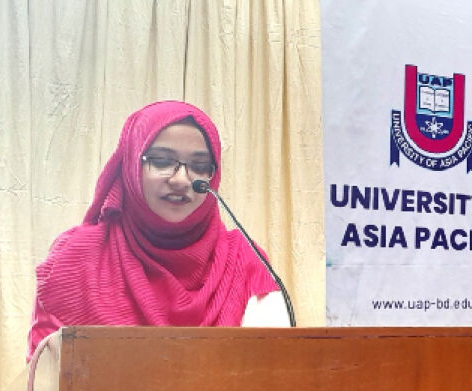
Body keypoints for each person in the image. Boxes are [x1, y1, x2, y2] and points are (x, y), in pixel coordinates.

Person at [27, 101, 288, 357]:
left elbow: (273, 369)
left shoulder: (243, 262)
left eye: (199, 167)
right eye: (162, 161)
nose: (181, 180)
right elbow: (45, 377)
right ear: (130, 165)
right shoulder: (75, 259)